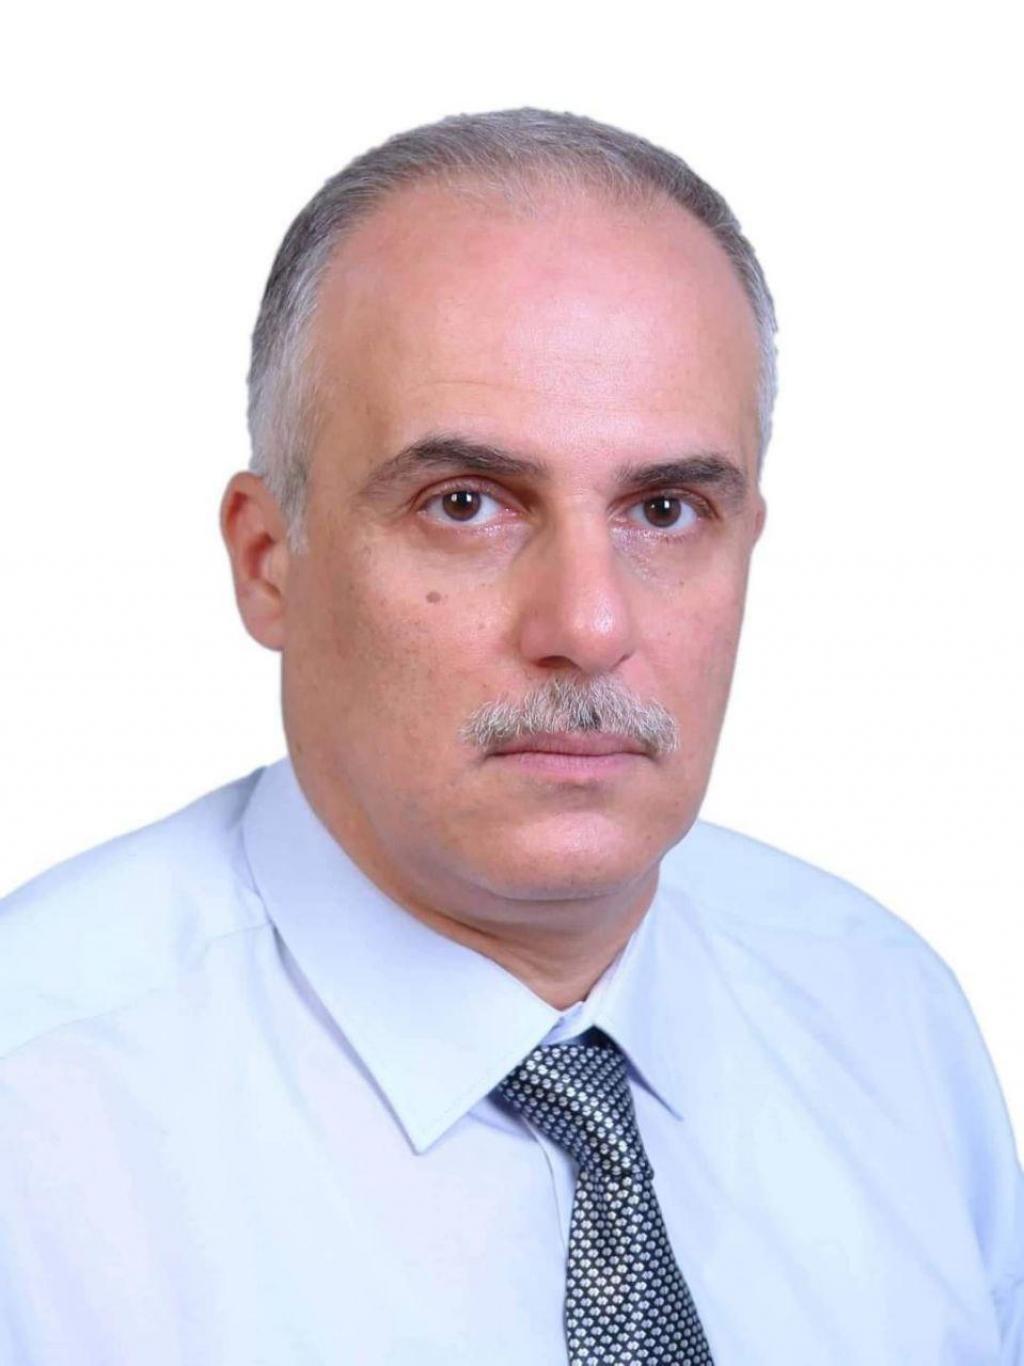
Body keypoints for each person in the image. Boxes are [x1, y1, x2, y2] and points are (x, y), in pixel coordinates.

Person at [1, 108, 1020, 1365]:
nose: (587, 625)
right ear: (269, 563)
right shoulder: (31, 1117)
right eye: (465, 503)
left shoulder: (885, 1013)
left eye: (664, 509)